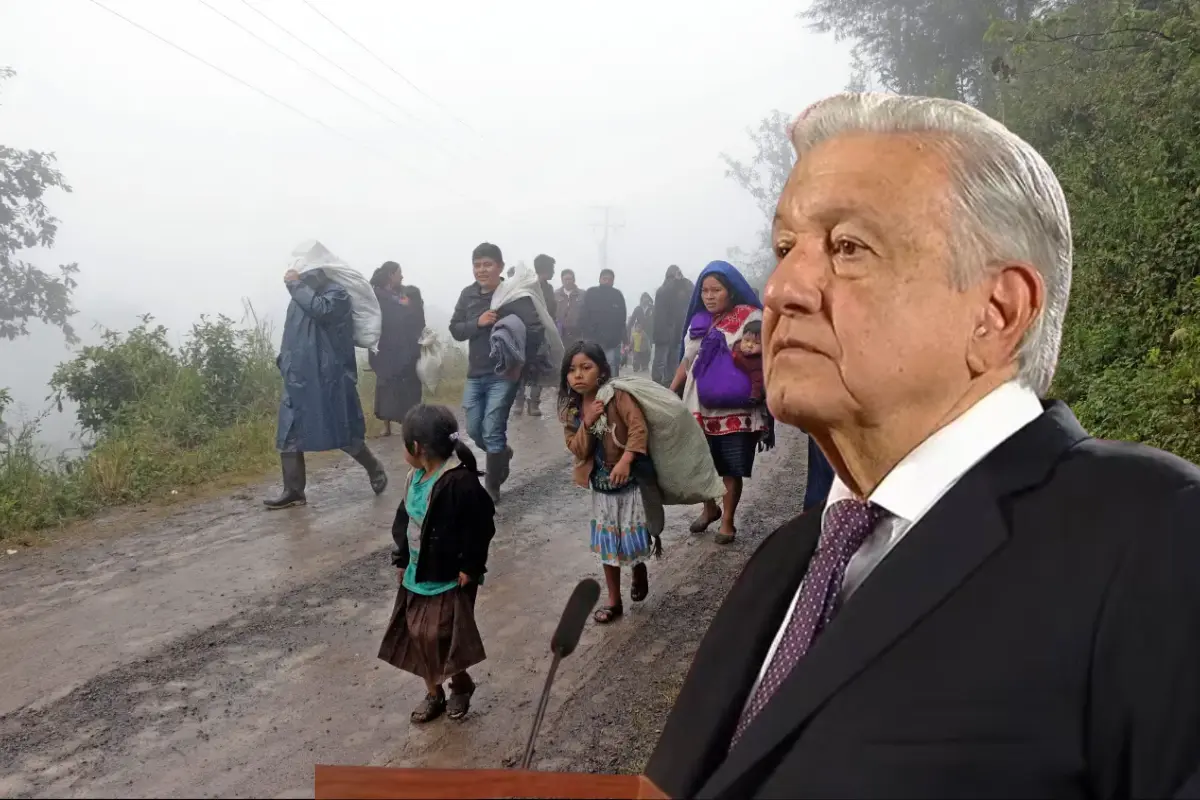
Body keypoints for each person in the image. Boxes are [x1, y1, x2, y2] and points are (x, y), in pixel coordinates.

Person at [646, 93, 1200, 799]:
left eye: (847, 248)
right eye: (786, 248)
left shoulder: (1160, 536)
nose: (784, 287)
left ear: (997, 312)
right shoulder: (788, 556)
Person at [378, 404, 495, 724]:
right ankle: (434, 693)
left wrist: (471, 568)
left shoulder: (460, 483)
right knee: (417, 637)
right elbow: (405, 523)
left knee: (442, 637)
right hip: (417, 574)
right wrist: (401, 558)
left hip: (450, 578)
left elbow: (482, 526)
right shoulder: (413, 479)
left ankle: (460, 684)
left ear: (415, 447)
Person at [264, 266, 387, 510]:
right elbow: (291, 331)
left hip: (327, 377)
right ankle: (294, 491)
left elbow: (322, 310)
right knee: (289, 432)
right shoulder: (299, 295)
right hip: (298, 375)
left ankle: (374, 467)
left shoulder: (336, 294)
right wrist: (284, 360)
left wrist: (295, 286)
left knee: (340, 431)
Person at [669, 261, 773, 544]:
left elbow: (764, 356)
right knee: (703, 465)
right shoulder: (698, 321)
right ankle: (710, 508)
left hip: (738, 406)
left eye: (716, 290)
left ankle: (727, 521)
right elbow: (687, 360)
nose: (709, 296)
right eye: (704, 290)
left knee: (729, 466)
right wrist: (672, 390)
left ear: (731, 291)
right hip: (699, 405)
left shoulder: (750, 317)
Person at [559, 342, 660, 624]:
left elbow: (638, 427)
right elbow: (578, 450)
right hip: (601, 486)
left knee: (632, 536)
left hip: (631, 483)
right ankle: (614, 601)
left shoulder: (618, 396)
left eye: (585, 367)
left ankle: (638, 566)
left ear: (602, 371)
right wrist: (587, 422)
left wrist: (627, 459)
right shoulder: (572, 410)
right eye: (571, 370)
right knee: (608, 543)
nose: (578, 375)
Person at [449, 243, 544, 501]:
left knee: (492, 428)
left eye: (487, 264)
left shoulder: (513, 295)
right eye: (477, 265)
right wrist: (477, 323)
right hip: (475, 373)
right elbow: (455, 329)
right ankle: (501, 453)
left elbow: (535, 329)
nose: (482, 270)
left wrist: (522, 360)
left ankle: (492, 488)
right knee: (474, 428)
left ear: (500, 267)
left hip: (504, 374)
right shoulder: (468, 295)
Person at [368, 262, 425, 436]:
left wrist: (410, 306)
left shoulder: (408, 294)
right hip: (385, 349)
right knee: (385, 386)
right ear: (390, 275)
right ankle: (386, 425)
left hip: (406, 348)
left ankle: (409, 424)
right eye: (399, 273)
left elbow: (418, 318)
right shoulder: (376, 296)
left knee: (409, 387)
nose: (402, 277)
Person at [513, 254, 558, 418]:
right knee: (522, 367)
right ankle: (520, 401)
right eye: (552, 269)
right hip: (525, 334)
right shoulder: (527, 285)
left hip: (541, 334)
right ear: (547, 269)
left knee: (538, 368)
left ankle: (533, 403)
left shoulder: (548, 288)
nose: (553, 272)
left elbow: (551, 311)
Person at [652, 265, 694, 386]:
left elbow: (693, 290)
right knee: (661, 361)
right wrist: (674, 280)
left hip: (677, 332)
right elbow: (665, 294)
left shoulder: (683, 289)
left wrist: (683, 280)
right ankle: (656, 384)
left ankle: (669, 383)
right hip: (663, 332)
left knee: (673, 361)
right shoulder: (663, 290)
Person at [580, 269, 627, 377]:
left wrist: (625, 340)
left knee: (612, 369)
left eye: (610, 279)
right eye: (604, 279)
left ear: (613, 281)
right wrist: (588, 333)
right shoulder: (591, 293)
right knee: (593, 368)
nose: (607, 281)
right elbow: (583, 316)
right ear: (600, 279)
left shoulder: (617, 295)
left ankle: (612, 392)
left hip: (613, 342)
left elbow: (622, 320)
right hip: (593, 341)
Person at [555, 268, 585, 345]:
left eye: (570, 279)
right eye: (565, 279)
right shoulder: (555, 295)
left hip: (578, 335)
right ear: (562, 280)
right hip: (561, 334)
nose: (568, 282)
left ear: (574, 280)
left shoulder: (582, 294)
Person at [628, 292, 654, 373]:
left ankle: (645, 365)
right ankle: (636, 366)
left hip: (649, 332)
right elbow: (632, 321)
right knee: (637, 349)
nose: (645, 300)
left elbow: (657, 320)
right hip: (639, 332)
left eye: (647, 298)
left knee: (647, 350)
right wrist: (628, 332)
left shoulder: (652, 308)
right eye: (644, 298)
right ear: (641, 300)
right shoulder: (638, 309)